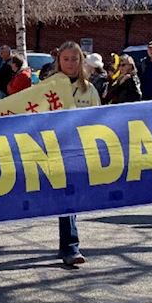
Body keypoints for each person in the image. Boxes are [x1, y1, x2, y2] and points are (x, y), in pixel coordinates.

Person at [55, 41, 101, 267]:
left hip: (77, 152)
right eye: (66, 59)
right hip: (54, 150)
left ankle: (69, 247)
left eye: (75, 59)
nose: (71, 63)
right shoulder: (48, 88)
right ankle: (69, 246)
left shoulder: (89, 90)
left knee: (69, 199)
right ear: (59, 61)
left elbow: (97, 119)